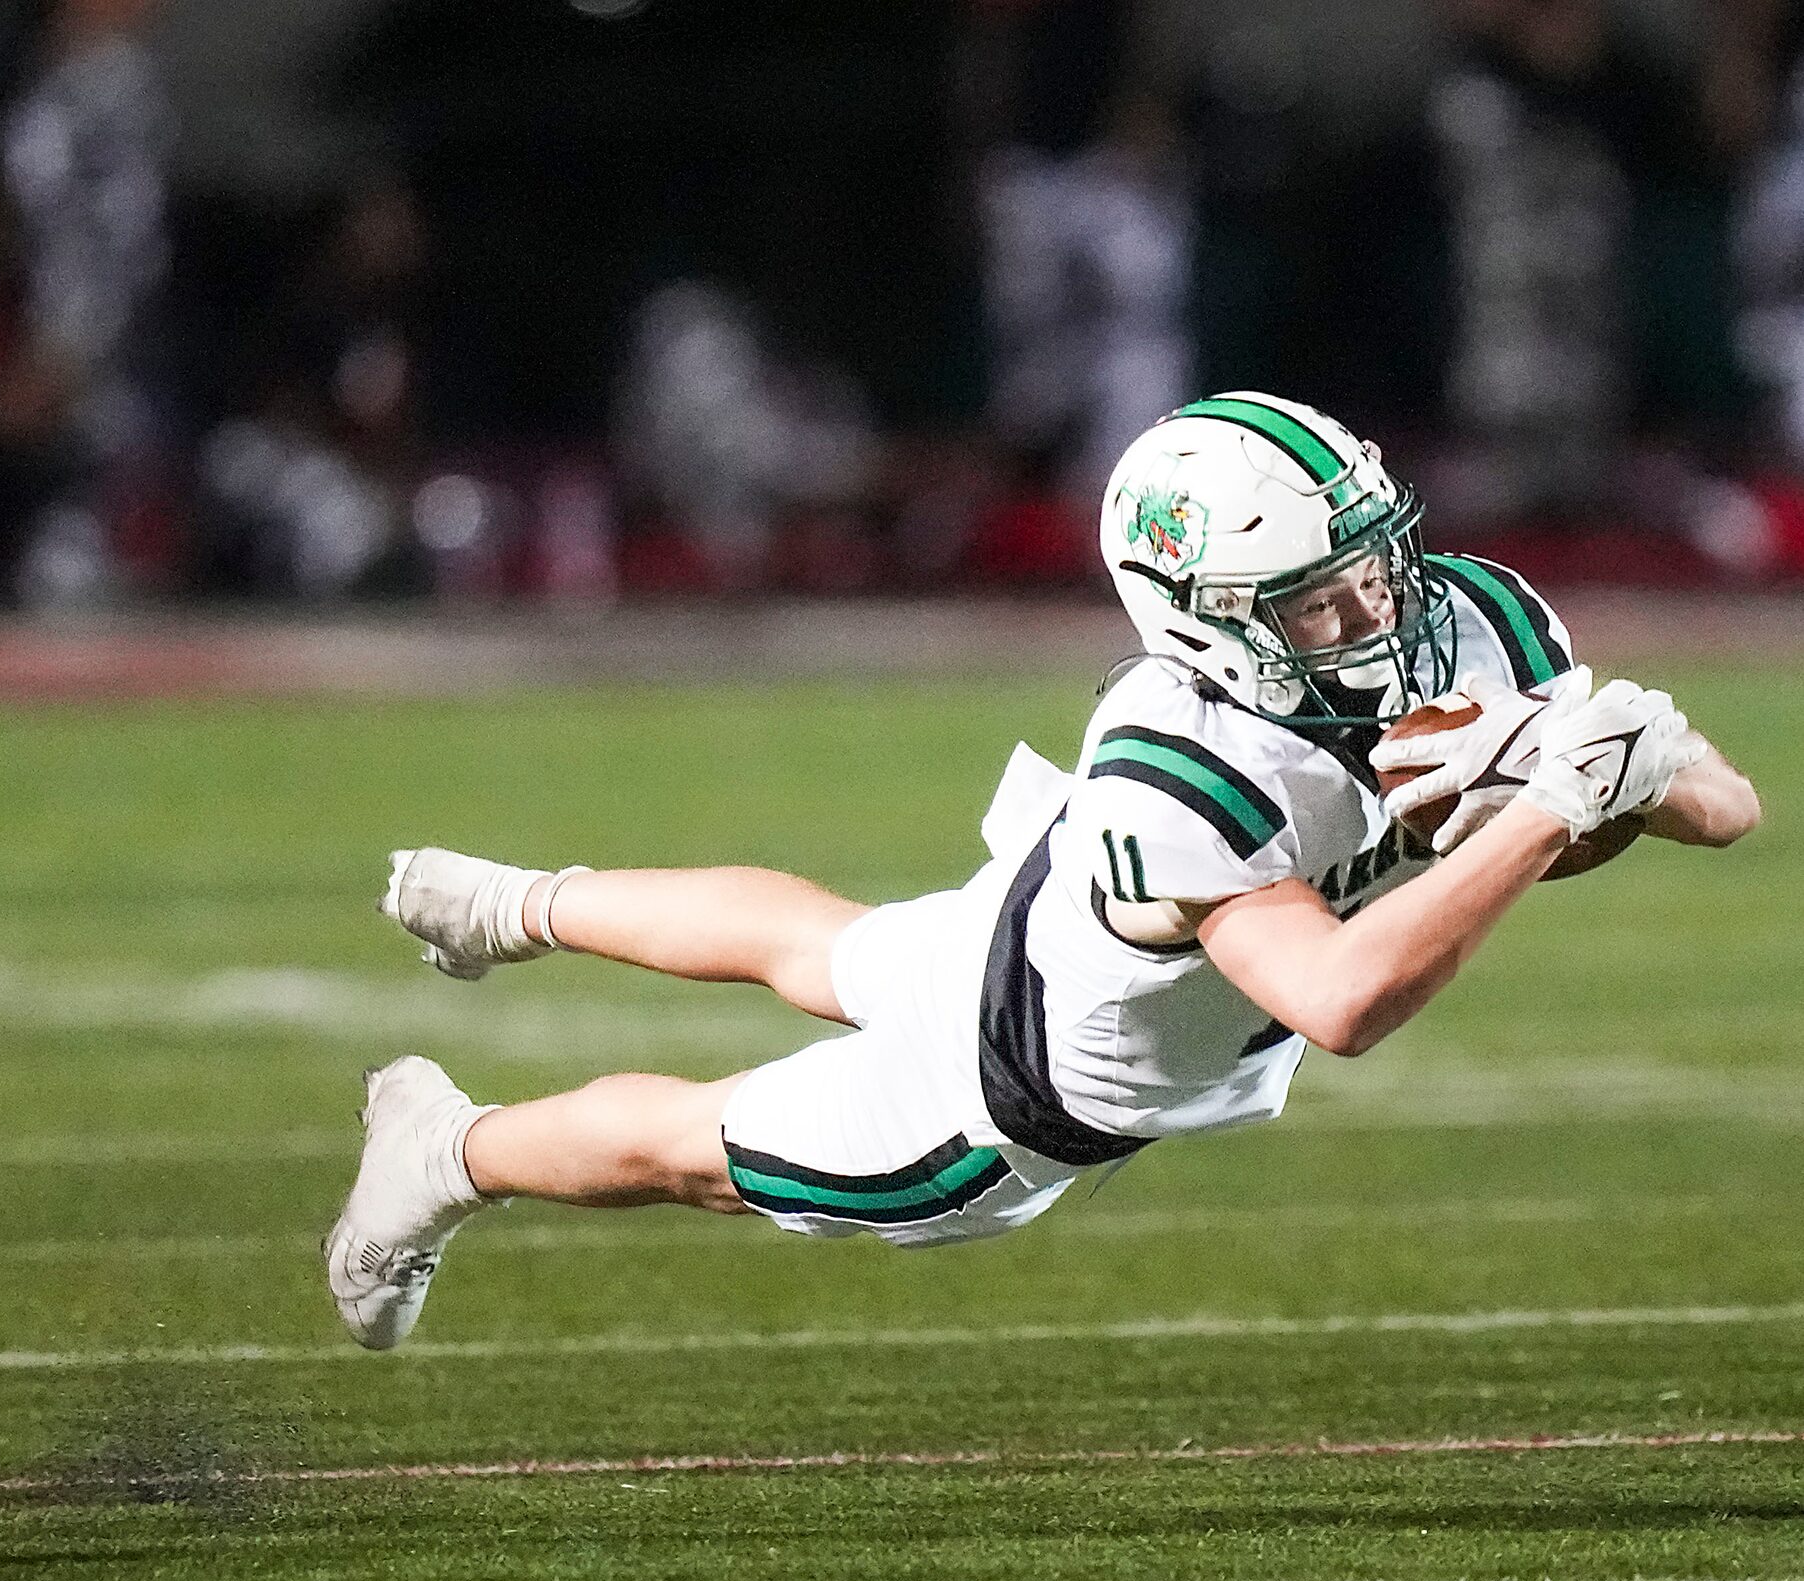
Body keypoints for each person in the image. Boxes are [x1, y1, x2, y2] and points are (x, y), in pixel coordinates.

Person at [321, 390, 1762, 1351]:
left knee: (828, 948)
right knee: (692, 1144)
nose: (1379, 608)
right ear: (1203, 621)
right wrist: (1541, 805)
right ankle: (448, 1145)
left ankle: (511, 901)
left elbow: (1724, 803)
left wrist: (1625, 754)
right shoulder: (1182, 761)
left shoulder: (1474, 622)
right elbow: (1339, 998)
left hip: (1047, 919)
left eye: (1377, 563)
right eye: (1320, 598)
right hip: (1015, 1086)